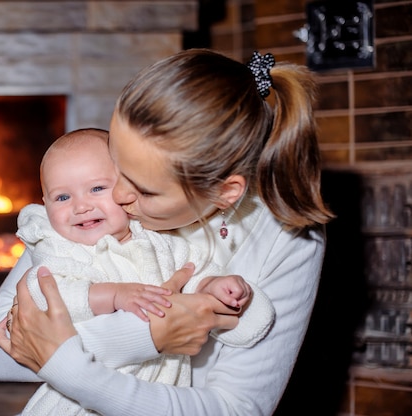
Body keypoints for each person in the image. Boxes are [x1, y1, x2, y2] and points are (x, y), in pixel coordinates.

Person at [0, 48, 334, 415]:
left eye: (144, 189)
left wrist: (67, 363)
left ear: (226, 192)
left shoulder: (286, 238)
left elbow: (237, 410)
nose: (118, 195)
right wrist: (146, 336)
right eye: (117, 166)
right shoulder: (88, 213)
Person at [15, 128, 274, 415]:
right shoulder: (59, 247)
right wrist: (113, 296)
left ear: (128, 190)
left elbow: (192, 271)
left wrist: (215, 286)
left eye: (97, 188)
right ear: (45, 204)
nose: (81, 206)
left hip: (158, 393)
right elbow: (44, 294)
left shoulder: (158, 241)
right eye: (62, 197)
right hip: (75, 404)